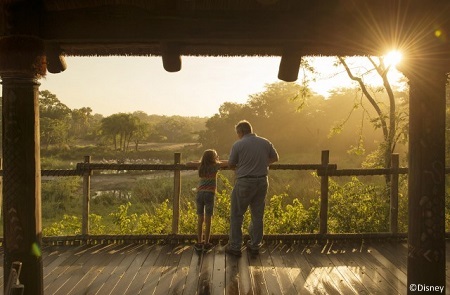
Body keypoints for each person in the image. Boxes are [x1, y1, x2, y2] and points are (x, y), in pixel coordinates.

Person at [225, 120, 279, 257]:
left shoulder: (238, 144)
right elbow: (275, 157)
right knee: (257, 214)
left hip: (244, 181)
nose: (237, 135)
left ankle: (235, 246)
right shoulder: (265, 142)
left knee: (237, 214)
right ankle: (255, 244)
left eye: (237, 133)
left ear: (241, 132)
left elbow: (231, 164)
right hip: (261, 180)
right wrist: (262, 163)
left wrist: (240, 167)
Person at [187, 149, 228, 253]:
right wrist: (219, 161)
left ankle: (199, 241)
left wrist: (198, 162)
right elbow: (229, 162)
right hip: (210, 194)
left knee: (200, 218)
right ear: (213, 158)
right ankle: (206, 242)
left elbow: (188, 163)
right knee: (208, 218)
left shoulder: (201, 166)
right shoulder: (215, 166)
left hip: (200, 193)